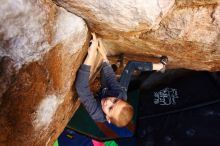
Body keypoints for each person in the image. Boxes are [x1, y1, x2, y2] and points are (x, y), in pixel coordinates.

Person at [75, 33, 168, 127]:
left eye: (110, 108)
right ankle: (160, 66)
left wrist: (91, 55)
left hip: (103, 91)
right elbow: (110, 76)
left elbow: (82, 88)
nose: (108, 102)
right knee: (130, 65)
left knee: (103, 74)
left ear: (108, 118)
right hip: (115, 91)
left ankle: (109, 75)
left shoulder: (97, 113)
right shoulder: (119, 94)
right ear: (119, 99)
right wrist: (103, 56)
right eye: (115, 101)